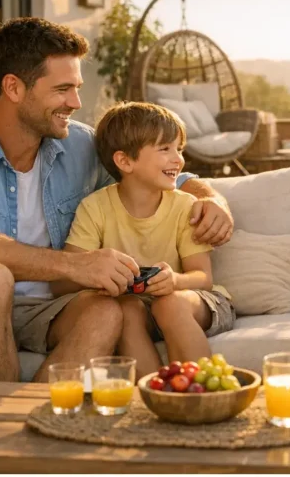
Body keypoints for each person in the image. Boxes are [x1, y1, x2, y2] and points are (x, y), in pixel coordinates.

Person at [0, 17, 234, 399]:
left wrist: (210, 198)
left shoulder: (79, 145)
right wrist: (74, 265)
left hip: (47, 308)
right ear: (14, 87)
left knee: (108, 310)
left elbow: (155, 176)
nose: (75, 102)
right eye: (62, 89)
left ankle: (32, 421)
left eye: (76, 88)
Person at [57, 102, 235, 379]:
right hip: (137, 308)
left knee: (169, 304)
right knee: (125, 309)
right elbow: (66, 280)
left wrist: (174, 281)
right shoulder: (94, 208)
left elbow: (203, 278)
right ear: (125, 161)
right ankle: (154, 394)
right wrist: (102, 278)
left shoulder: (185, 206)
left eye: (179, 149)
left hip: (193, 301)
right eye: (165, 149)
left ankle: (203, 393)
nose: (178, 160)